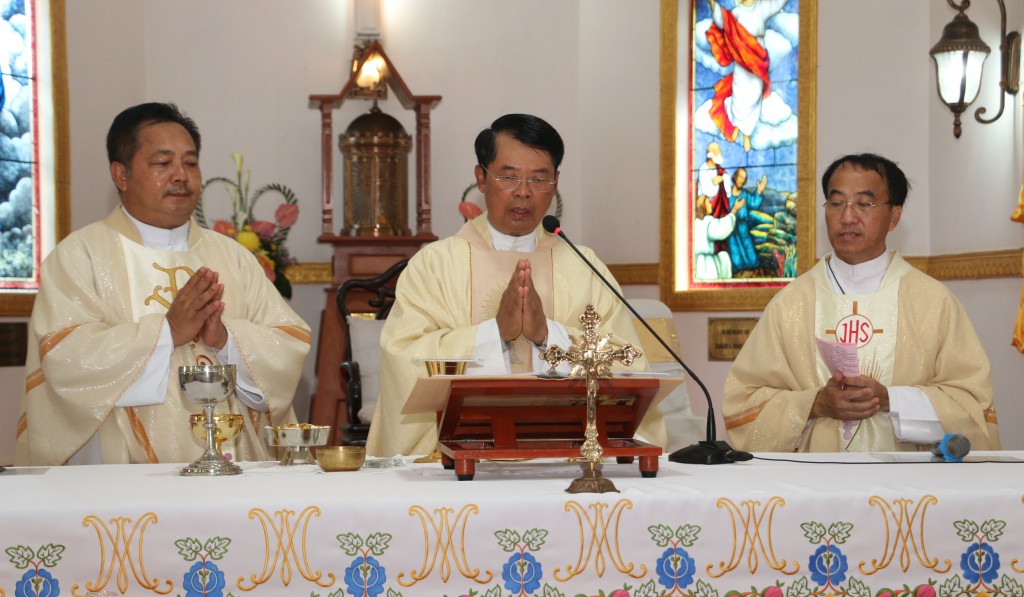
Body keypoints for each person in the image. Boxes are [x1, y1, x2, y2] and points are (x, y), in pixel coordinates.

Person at [14, 102, 311, 466]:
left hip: (234, 465)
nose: (181, 175)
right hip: (123, 470)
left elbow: (286, 343)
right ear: (121, 175)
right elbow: (66, 359)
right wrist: (168, 331)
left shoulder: (232, 257)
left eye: (190, 163)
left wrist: (227, 340)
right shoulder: (80, 256)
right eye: (162, 163)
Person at [367, 113, 668, 458]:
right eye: (508, 177)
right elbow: (402, 354)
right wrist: (495, 334)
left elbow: (629, 363)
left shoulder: (583, 266)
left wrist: (547, 334)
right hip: (457, 456)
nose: (523, 192)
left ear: (555, 183)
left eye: (539, 179)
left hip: (568, 454)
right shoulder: (435, 265)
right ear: (481, 178)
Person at [722, 152, 1000, 452]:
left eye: (864, 204)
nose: (847, 217)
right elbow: (744, 403)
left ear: (894, 216)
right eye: (836, 202)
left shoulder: (933, 302)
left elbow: (972, 405)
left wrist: (890, 399)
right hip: (816, 478)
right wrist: (815, 404)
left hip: (907, 480)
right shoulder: (790, 305)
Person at [706, 0, 788, 152]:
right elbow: (724, 20)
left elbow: (777, 4)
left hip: (757, 60)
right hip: (741, 59)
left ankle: (747, 133)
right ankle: (737, 124)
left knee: (754, 96)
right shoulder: (737, 12)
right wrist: (713, 4)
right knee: (740, 94)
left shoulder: (762, 8)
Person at [695, 142, 744, 280]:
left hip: (719, 211)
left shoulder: (720, 171)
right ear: (710, 154)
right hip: (710, 211)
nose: (719, 154)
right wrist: (714, 183)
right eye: (717, 151)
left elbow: (727, 190)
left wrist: (722, 179)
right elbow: (707, 191)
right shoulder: (703, 169)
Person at [725, 167, 766, 274]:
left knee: (750, 254)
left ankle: (753, 269)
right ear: (735, 177)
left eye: (744, 178)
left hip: (743, 227)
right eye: (740, 177)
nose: (741, 180)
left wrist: (759, 191)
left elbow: (754, 203)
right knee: (735, 254)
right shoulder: (727, 194)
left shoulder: (745, 194)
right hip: (731, 229)